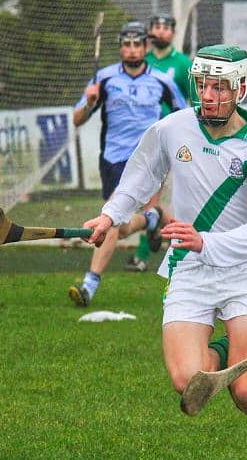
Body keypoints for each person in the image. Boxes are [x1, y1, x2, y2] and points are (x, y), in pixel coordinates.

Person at [81, 44, 247, 460]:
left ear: (241, 88)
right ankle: (224, 348)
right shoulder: (172, 129)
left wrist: (208, 241)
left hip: (243, 271)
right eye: (203, 86)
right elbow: (139, 178)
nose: (210, 95)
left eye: (221, 87)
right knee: (189, 383)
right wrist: (110, 215)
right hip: (190, 269)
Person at [68, 20, 186, 306]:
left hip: (149, 159)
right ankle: (152, 219)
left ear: (145, 46)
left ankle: (89, 284)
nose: (132, 50)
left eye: (137, 44)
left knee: (110, 225)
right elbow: (77, 119)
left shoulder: (162, 81)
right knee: (117, 226)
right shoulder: (104, 79)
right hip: (113, 159)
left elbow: (185, 117)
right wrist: (89, 102)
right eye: (126, 44)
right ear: (120, 47)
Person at [125, 12, 194, 272]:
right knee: (147, 199)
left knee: (149, 196)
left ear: (174, 33)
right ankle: (166, 231)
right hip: (140, 137)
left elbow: (193, 100)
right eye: (156, 26)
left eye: (166, 27)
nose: (160, 31)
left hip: (168, 138)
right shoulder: (143, 61)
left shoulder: (183, 63)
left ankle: (142, 256)